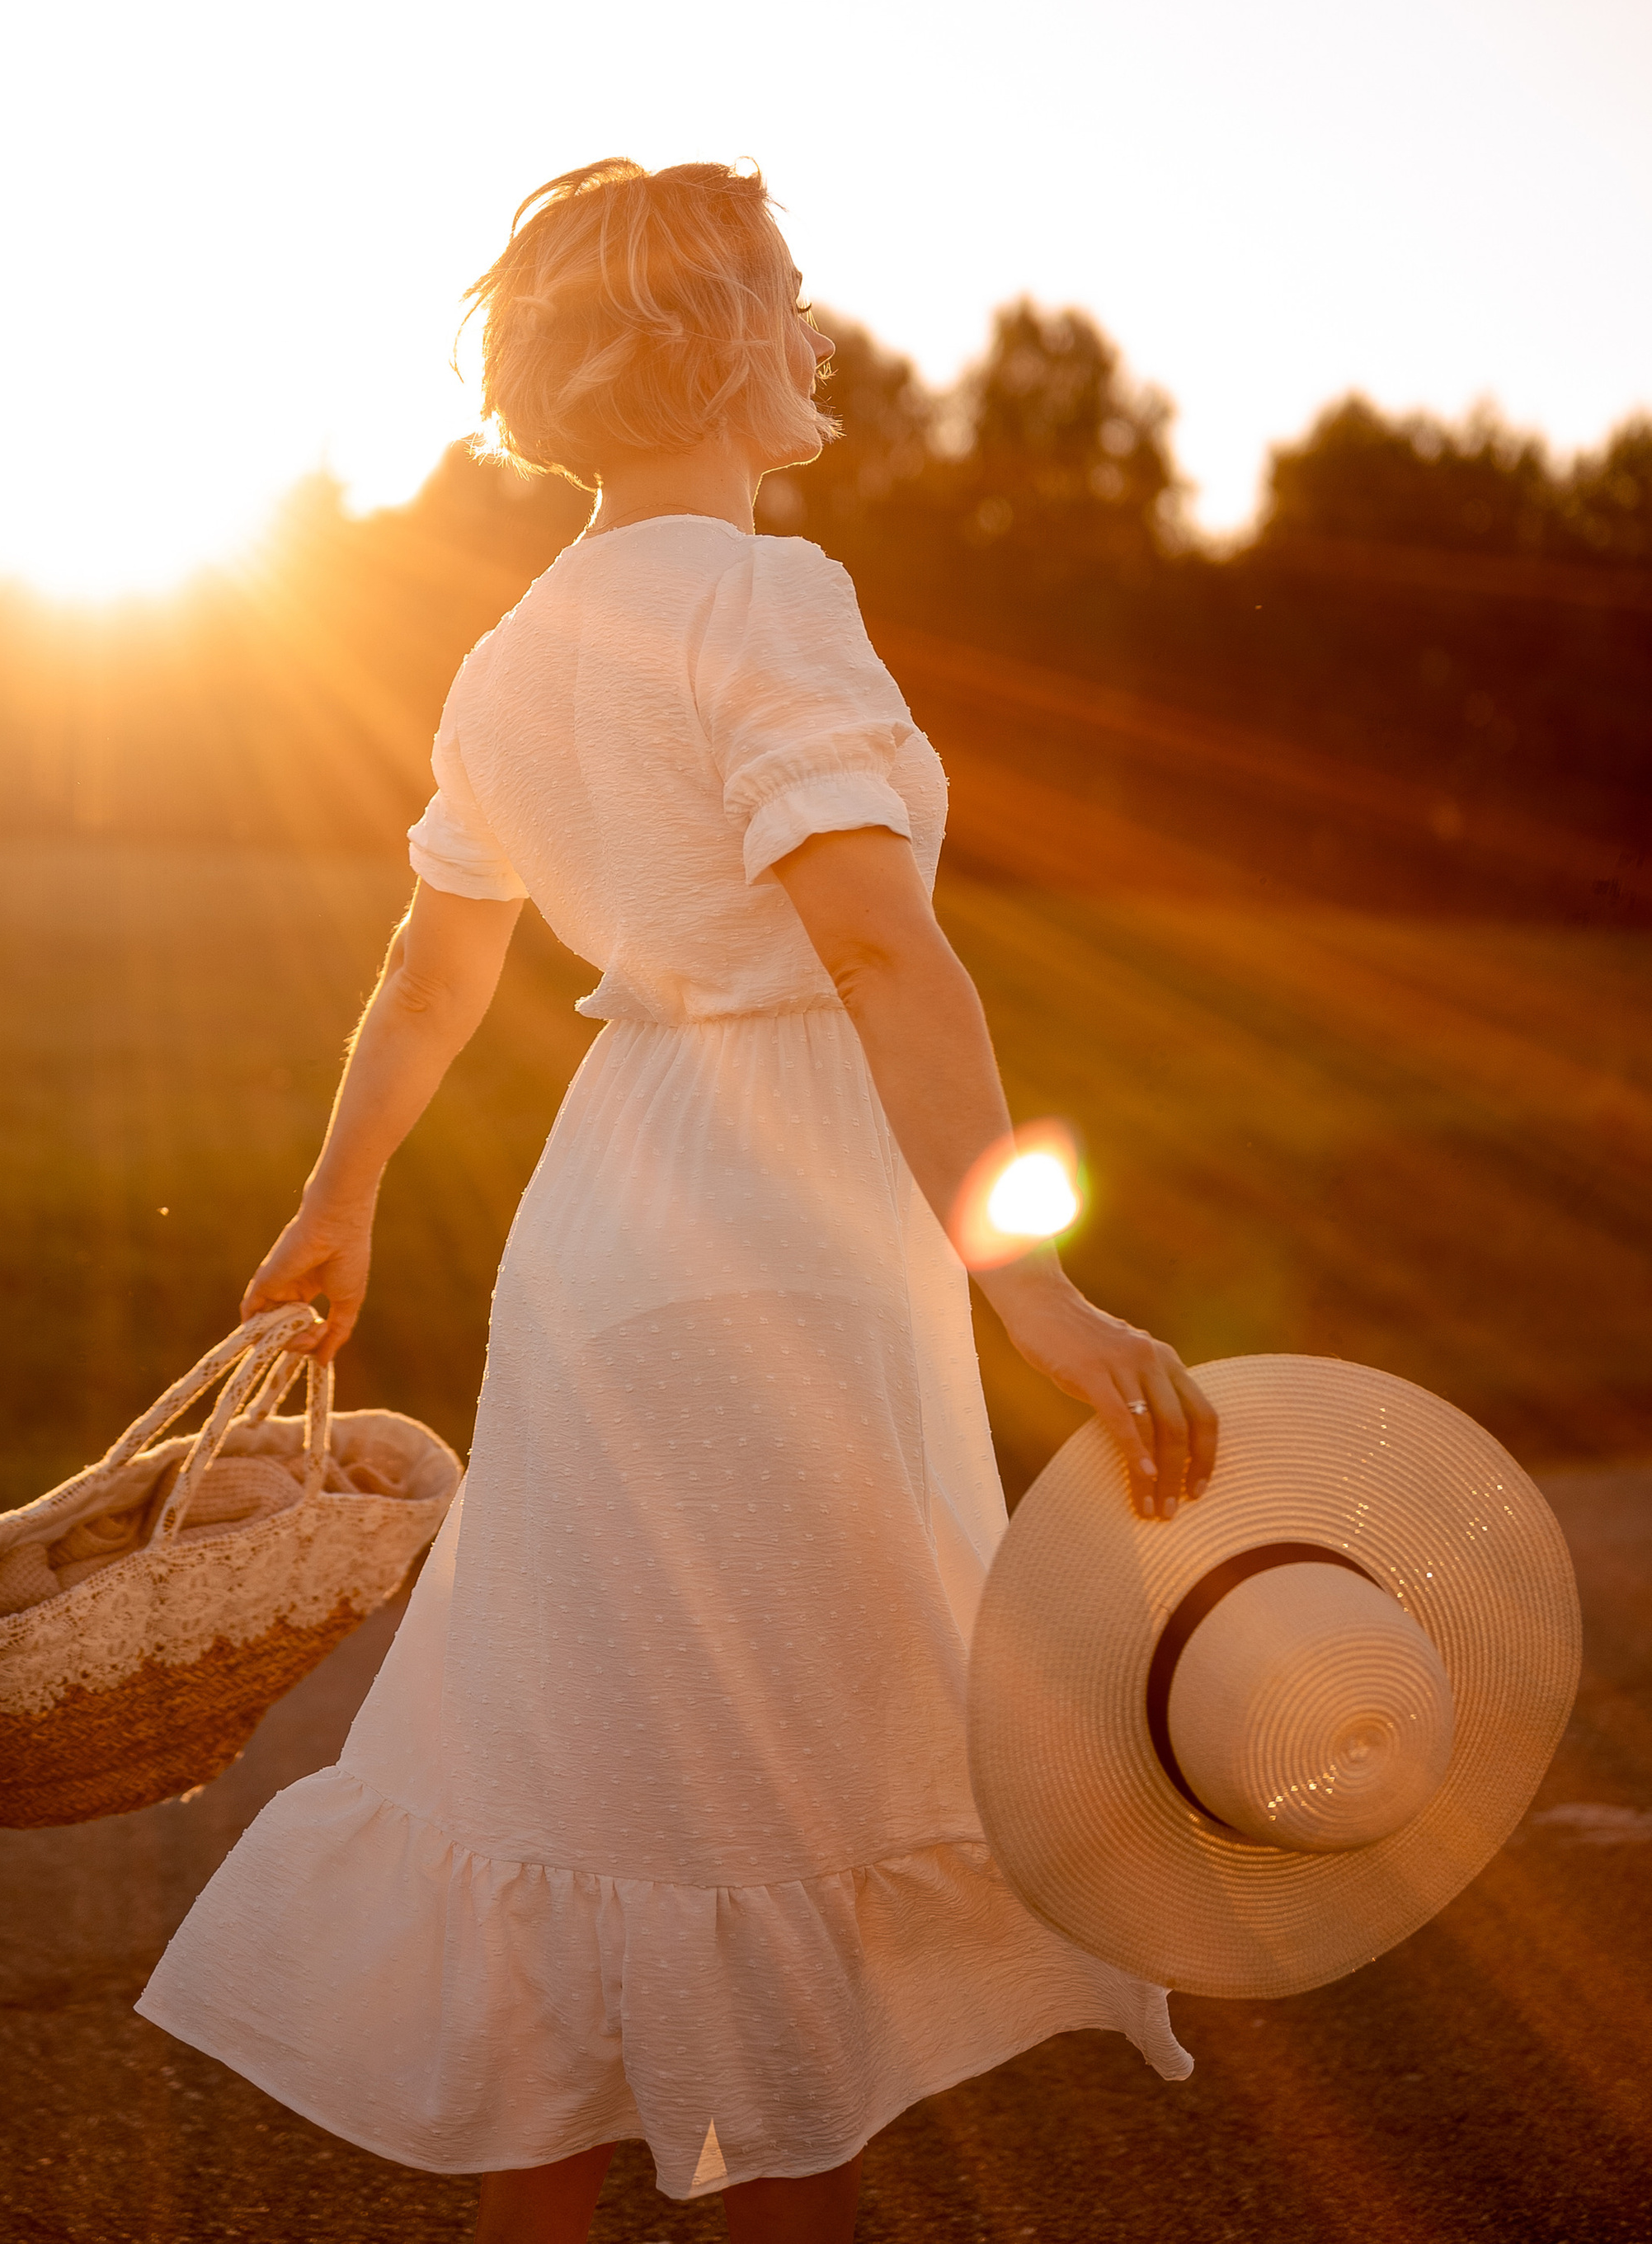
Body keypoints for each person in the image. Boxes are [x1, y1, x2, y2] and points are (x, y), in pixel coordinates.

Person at [138, 158, 1218, 2240]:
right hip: (785, 1249)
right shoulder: (766, 603)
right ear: (717, 350)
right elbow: (886, 956)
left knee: (590, 1789)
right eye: (789, 299)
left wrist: (338, 1196)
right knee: (777, 1816)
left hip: (597, 1241)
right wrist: (1039, 1295)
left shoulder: (509, 655)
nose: (811, 333)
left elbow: (435, 966)